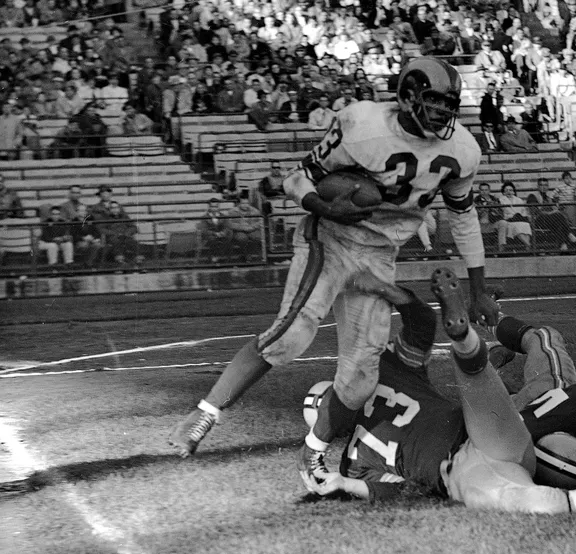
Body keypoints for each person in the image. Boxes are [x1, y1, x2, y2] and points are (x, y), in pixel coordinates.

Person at [167, 58, 499, 492]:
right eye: (433, 100)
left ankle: (314, 450)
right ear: (407, 95)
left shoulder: (463, 150)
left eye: (449, 102)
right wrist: (323, 206)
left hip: (380, 253)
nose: (441, 110)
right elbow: (298, 178)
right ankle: (205, 414)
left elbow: (464, 216)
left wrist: (478, 289)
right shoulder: (361, 124)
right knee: (291, 335)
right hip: (331, 237)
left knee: (362, 376)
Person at [314, 268, 576, 515]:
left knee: (535, 501)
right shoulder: (387, 373)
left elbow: (404, 493)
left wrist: (346, 483)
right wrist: (384, 288)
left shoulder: (352, 460)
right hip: (491, 430)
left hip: (460, 468)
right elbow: (421, 321)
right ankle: (466, 342)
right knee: (476, 381)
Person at [97, 199, 142, 266]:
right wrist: (114, 233)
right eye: (112, 208)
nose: (115, 209)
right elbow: (101, 229)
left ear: (119, 208)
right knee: (116, 242)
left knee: (133, 242)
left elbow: (134, 227)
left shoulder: (124, 217)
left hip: (125, 236)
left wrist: (127, 233)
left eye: (116, 207)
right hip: (113, 238)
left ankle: (138, 261)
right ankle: (120, 261)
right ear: (109, 209)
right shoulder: (105, 218)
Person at [496, 181, 532, 251]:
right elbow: (504, 211)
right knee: (517, 226)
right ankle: (529, 245)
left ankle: (528, 247)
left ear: (514, 192)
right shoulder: (501, 200)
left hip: (519, 219)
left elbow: (523, 211)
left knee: (526, 224)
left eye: (510, 190)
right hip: (509, 220)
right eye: (506, 190)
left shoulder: (519, 200)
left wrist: (520, 215)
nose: (509, 192)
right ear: (503, 192)